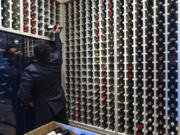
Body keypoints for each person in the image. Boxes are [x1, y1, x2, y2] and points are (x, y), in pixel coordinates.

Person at [18, 25, 69, 128]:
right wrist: (57, 34)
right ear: (50, 53)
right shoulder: (56, 61)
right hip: (59, 104)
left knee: (46, 131)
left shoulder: (30, 70)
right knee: (63, 129)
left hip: (43, 109)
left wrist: (30, 101)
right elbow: (59, 48)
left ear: (34, 54)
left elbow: (23, 93)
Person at [0, 46, 35, 135]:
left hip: (24, 99)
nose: (17, 54)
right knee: (20, 122)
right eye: (13, 53)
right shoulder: (6, 66)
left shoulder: (20, 63)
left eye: (17, 51)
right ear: (9, 56)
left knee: (28, 121)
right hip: (16, 100)